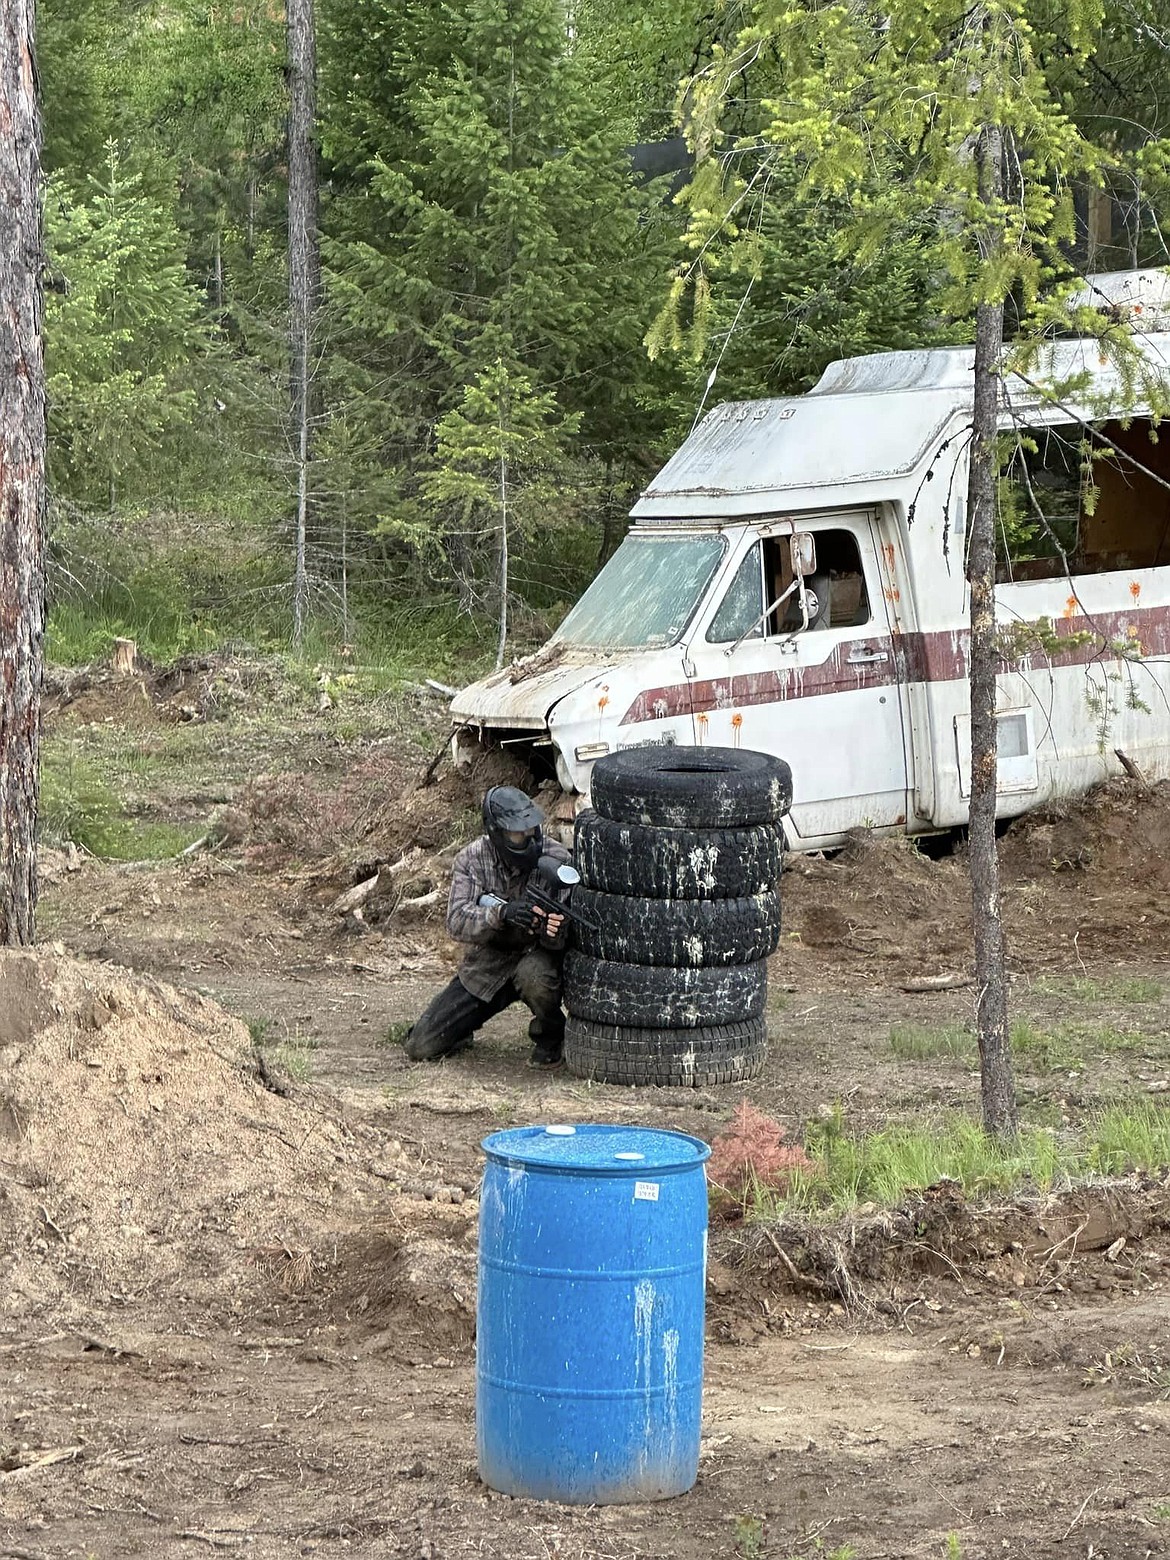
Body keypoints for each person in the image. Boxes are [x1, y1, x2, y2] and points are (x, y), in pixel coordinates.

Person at [403, 786, 571, 1067]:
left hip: (536, 958)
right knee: (421, 1046)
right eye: (519, 834)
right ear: (497, 833)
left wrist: (554, 929)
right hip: (487, 964)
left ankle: (551, 1037)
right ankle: (460, 1029)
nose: (530, 840)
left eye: (533, 830)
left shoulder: (558, 860)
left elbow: (568, 928)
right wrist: (501, 913)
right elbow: (456, 921)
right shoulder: (472, 859)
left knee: (536, 977)